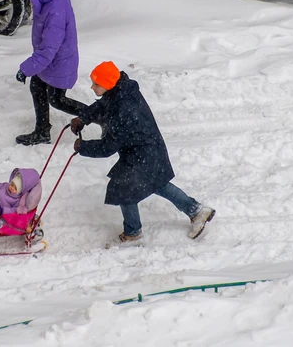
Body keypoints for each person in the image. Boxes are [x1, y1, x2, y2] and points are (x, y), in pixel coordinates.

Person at [71, 61, 215, 245]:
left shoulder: (123, 110)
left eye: (96, 84)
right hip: (145, 149)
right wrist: (83, 118)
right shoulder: (121, 90)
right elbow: (104, 104)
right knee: (156, 184)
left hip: (143, 153)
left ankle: (133, 233)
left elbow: (107, 147)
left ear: (108, 84)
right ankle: (196, 211)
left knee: (125, 189)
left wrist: (82, 147)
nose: (92, 87)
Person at [15, 0, 84, 146]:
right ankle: (42, 132)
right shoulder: (52, 0)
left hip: (58, 63)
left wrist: (26, 69)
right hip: (52, 62)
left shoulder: (55, 11)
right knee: (37, 88)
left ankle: (99, 114)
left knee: (57, 100)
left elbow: (48, 50)